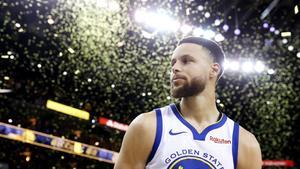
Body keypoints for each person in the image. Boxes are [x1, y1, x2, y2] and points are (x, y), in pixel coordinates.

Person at [114, 36, 262, 169]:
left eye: (186, 60)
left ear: (213, 70)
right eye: (173, 62)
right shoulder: (147, 125)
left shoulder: (245, 143)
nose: (175, 68)